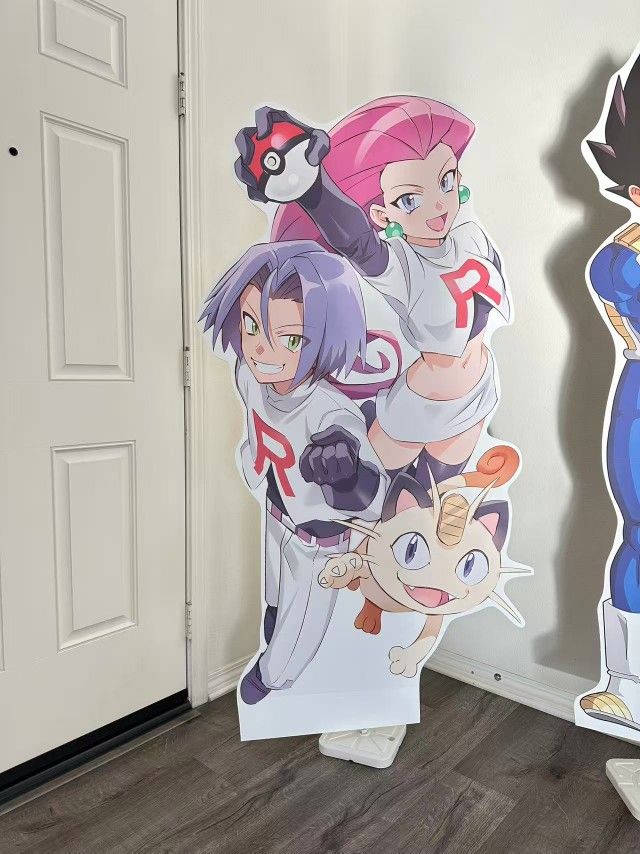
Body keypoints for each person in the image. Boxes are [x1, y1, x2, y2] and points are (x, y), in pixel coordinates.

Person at [234, 97, 511, 487]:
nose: (437, 204)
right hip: (421, 404)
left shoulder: (470, 236)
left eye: (446, 180)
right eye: (409, 200)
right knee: (377, 499)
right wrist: (313, 190)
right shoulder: (404, 267)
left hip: (476, 389)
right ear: (383, 215)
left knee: (441, 504)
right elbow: (359, 242)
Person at [200, 241, 387, 703]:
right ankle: (272, 617)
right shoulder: (249, 375)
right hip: (276, 511)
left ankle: (271, 677)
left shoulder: (331, 413)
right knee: (275, 592)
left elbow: (374, 498)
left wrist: (346, 476)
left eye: (291, 339)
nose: (261, 350)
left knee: (299, 625)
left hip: (317, 541)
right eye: (251, 326)